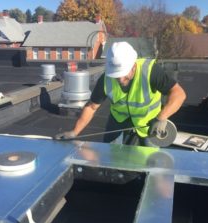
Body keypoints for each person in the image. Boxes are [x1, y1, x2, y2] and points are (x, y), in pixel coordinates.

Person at [55, 41, 186, 146]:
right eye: (116, 76)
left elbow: (178, 94)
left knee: (150, 161)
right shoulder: (106, 78)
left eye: (123, 75)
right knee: (110, 153)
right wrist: (74, 132)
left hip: (149, 121)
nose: (120, 80)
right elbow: (91, 107)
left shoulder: (150, 71)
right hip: (118, 119)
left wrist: (161, 118)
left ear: (133, 66)